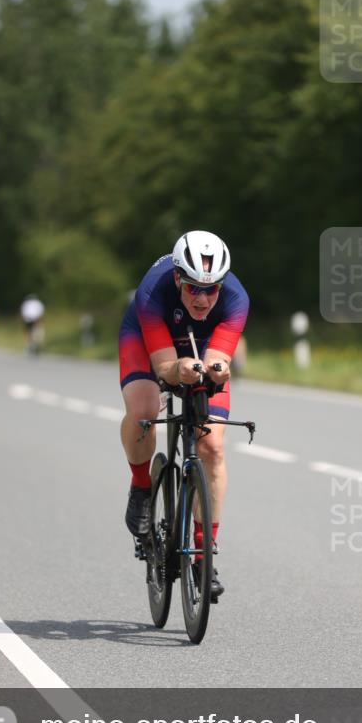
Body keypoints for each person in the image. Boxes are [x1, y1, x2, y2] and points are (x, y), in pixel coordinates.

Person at [118, 231, 249, 600]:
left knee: (212, 448)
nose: (203, 298)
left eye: (212, 289)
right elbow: (164, 368)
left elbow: (217, 361)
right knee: (144, 409)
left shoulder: (237, 299)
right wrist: (180, 370)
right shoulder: (151, 292)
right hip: (149, 339)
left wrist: (217, 371)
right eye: (193, 288)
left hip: (201, 345)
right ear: (178, 278)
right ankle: (142, 485)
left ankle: (204, 554)